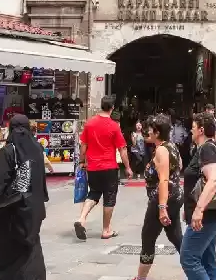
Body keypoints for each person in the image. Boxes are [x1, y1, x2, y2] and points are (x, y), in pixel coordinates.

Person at [0, 114, 50, 280]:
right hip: (33, 210)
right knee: (30, 248)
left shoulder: (9, 150)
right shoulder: (37, 149)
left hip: (12, 211)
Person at [133, 114, 184, 280]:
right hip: (175, 196)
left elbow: (164, 180)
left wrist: (162, 208)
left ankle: (140, 278)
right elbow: (179, 167)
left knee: (148, 237)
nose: (147, 132)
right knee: (175, 236)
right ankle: (197, 268)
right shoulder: (172, 146)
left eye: (150, 129)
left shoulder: (162, 150)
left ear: (157, 132)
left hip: (162, 200)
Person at [74, 96, 132, 241]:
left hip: (93, 167)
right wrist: (128, 167)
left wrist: (82, 161)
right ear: (112, 108)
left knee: (93, 193)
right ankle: (106, 230)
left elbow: (83, 146)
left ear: (101, 105)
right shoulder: (114, 126)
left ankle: (81, 219)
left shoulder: (89, 123)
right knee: (109, 197)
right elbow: (122, 149)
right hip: (109, 167)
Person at [180, 113, 216, 280]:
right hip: (209, 214)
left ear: (201, 130)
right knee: (207, 260)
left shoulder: (207, 148)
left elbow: (214, 179)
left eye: (193, 127)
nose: (191, 130)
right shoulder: (202, 149)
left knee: (188, 258)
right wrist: (189, 208)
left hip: (208, 216)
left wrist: (198, 210)